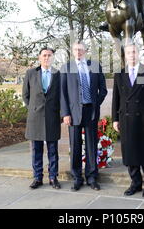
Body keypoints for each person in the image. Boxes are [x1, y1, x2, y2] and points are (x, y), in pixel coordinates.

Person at [112, 43, 144, 198]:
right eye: (129, 52)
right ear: (125, 55)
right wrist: (115, 119)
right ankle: (135, 183)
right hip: (126, 119)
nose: (132, 55)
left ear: (139, 54)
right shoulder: (119, 74)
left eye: (134, 52)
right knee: (130, 152)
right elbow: (116, 98)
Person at [60, 41, 108, 191]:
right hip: (73, 113)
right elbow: (62, 94)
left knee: (91, 145)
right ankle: (77, 177)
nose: (78, 52)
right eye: (76, 49)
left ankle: (92, 177)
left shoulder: (94, 66)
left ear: (85, 51)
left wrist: (95, 103)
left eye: (81, 49)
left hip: (90, 111)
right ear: (72, 51)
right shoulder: (66, 68)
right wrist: (66, 113)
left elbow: (103, 89)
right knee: (75, 146)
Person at [22, 47, 62, 190]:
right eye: (44, 55)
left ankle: (53, 177)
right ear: (39, 57)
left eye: (49, 55)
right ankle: (37, 177)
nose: (47, 58)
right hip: (35, 117)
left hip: (52, 116)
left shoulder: (58, 74)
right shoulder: (31, 73)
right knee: (36, 149)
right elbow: (25, 95)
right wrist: (32, 109)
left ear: (53, 58)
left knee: (52, 150)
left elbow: (61, 96)